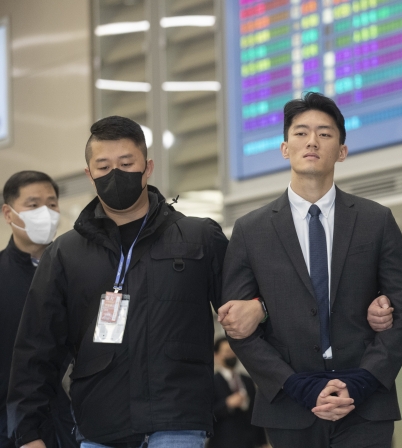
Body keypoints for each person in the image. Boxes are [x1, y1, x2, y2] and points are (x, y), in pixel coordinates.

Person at [6, 116, 249, 448]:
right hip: (99, 429)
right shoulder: (65, 254)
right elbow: (37, 348)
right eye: (103, 166)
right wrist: (28, 432)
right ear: (89, 174)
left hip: (178, 422)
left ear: (147, 168)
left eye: (126, 163)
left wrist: (261, 314)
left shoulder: (198, 238)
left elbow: (244, 314)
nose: (115, 174)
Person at [220, 92, 402, 447]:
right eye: (300, 133)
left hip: (364, 401)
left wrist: (363, 379)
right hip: (289, 404)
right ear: (285, 148)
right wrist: (295, 384)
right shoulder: (251, 231)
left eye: (325, 134)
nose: (312, 141)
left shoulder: (375, 221)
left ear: (341, 151)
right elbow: (239, 327)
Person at [1, 171, 78, 448]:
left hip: (73, 421)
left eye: (52, 203)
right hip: (9, 426)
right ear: (8, 213)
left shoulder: (77, 271)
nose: (45, 212)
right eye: (33, 205)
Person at [211, 338, 267, 448]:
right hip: (223, 442)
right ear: (216, 355)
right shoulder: (211, 382)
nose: (231, 355)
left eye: (232, 351)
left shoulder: (247, 380)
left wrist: (262, 442)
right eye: (227, 352)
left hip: (249, 442)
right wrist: (227, 404)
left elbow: (255, 413)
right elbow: (207, 413)